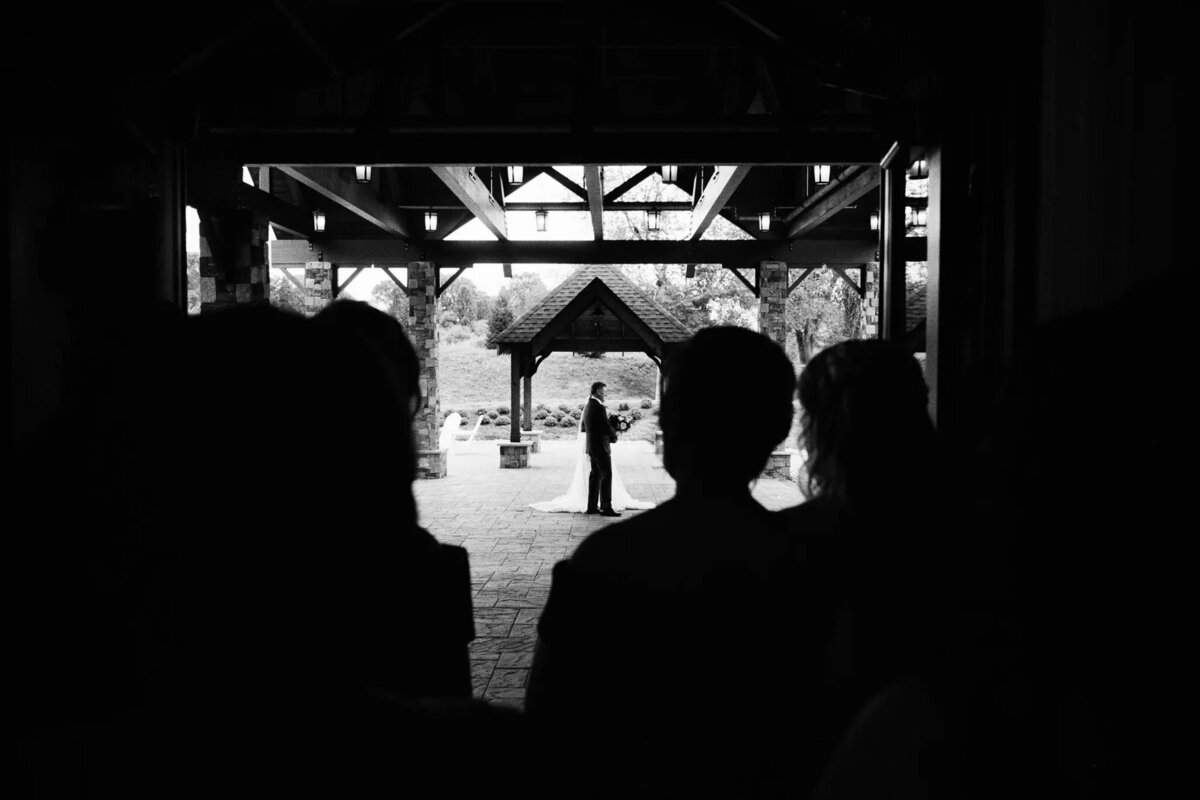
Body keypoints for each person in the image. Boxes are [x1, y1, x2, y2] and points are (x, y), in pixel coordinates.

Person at [526, 327, 821, 798]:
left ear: (672, 421)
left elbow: (549, 724)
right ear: (777, 427)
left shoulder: (604, 563)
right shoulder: (808, 569)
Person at [528, 381, 654, 514]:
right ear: (599, 391)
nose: (607, 394)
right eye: (605, 391)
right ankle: (606, 507)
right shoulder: (598, 407)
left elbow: (598, 426)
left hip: (593, 447)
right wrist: (615, 434)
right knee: (606, 475)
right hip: (600, 447)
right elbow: (605, 426)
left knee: (595, 475)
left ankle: (592, 506)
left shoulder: (590, 405)